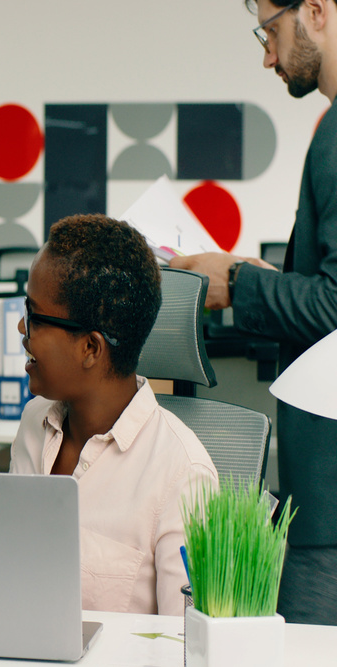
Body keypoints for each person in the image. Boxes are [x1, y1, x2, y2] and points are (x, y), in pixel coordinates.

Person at [169, 0, 337, 624]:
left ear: (314, 11)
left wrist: (235, 283)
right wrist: (271, 282)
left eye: (270, 31)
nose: (267, 55)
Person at [9, 214, 218, 616]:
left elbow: (186, 644)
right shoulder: (35, 423)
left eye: (34, 315)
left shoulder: (183, 474)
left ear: (90, 348)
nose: (21, 326)